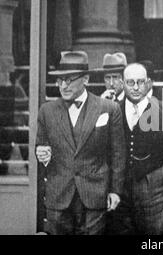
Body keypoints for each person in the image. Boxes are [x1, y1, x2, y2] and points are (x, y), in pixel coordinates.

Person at [35, 51, 126, 235]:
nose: (63, 85)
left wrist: (116, 191)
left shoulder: (108, 108)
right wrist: (42, 153)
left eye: (69, 80)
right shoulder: (47, 111)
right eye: (60, 80)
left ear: (86, 79)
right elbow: (41, 147)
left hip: (95, 196)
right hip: (59, 197)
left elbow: (118, 153)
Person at [117, 63, 163, 234]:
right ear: (122, 83)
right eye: (130, 82)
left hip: (154, 186)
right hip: (121, 186)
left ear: (148, 83)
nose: (135, 87)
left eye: (140, 82)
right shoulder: (112, 110)